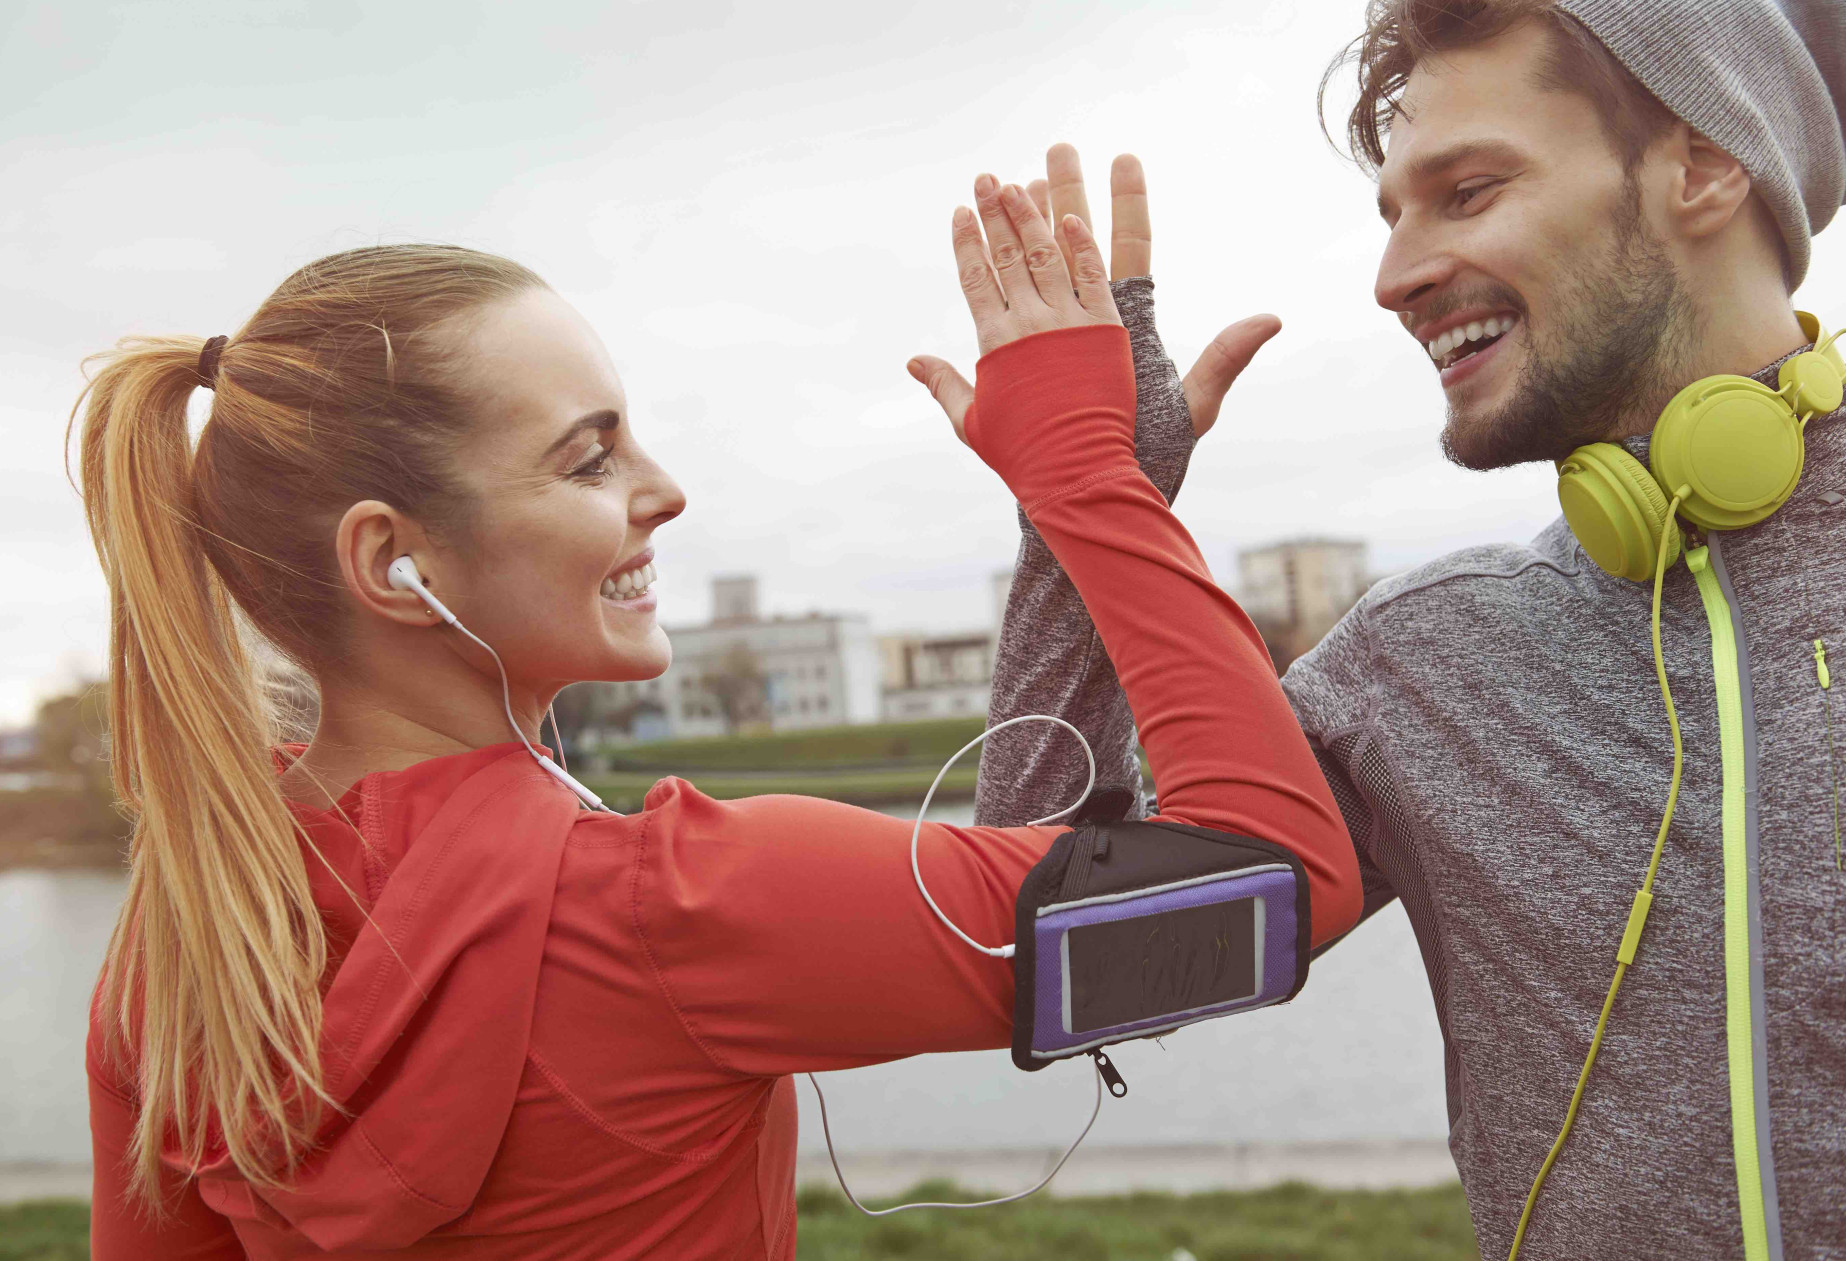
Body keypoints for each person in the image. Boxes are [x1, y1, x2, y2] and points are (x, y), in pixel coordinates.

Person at [77, 188, 1362, 1257]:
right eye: (589, 459)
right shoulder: (681, 908)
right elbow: (1272, 885)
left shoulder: (188, 941)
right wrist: (1084, 476)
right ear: (392, 561)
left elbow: (1032, 878)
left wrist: (1065, 533)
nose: (665, 490)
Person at [952, 0, 1846, 1259]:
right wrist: (1082, 507)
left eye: (1465, 192)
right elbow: (1063, 959)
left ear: (1702, 165)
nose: (1395, 275)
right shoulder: (1433, 658)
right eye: (1392, 212)